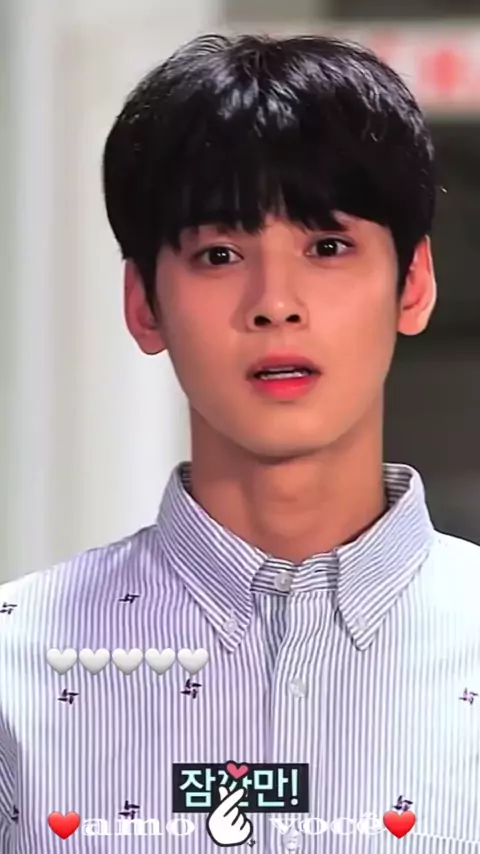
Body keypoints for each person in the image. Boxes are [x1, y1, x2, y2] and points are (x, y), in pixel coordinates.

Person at [1, 31, 479, 854]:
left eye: (328, 247)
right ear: (143, 303)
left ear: (413, 282)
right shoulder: (15, 668)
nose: (275, 303)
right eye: (219, 253)